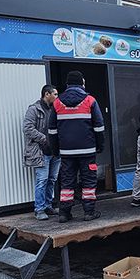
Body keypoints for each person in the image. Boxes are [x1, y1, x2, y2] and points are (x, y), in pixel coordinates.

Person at [48, 71, 104, 223]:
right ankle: (89, 212)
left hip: (66, 152)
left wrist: (55, 150)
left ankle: (64, 214)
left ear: (67, 85)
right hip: (87, 150)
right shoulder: (90, 101)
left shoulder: (57, 102)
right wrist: (100, 146)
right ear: (81, 84)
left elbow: (51, 130)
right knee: (89, 182)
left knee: (67, 182)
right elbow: (99, 127)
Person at [24, 84, 61, 221]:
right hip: (42, 152)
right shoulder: (34, 109)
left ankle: (48, 205)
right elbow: (27, 128)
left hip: (55, 152)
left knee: (52, 180)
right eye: (55, 94)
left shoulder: (56, 109)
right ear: (47, 94)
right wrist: (44, 138)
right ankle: (39, 209)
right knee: (42, 180)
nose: (57, 97)